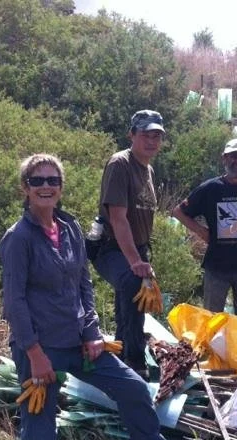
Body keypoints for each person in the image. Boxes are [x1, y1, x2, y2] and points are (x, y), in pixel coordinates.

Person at [0, 153, 201, 440]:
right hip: (41, 350)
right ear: (25, 188)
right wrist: (33, 352)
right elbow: (14, 302)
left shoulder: (71, 228)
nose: (46, 187)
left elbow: (83, 285)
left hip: (81, 342)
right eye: (37, 181)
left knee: (133, 387)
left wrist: (92, 331)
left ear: (60, 187)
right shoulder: (18, 240)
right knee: (40, 427)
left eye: (52, 180)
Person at [91, 110, 166, 380]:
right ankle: (134, 363)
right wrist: (136, 261)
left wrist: (141, 256)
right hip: (112, 247)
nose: (152, 141)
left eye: (157, 135)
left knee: (132, 300)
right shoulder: (120, 164)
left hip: (137, 248)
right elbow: (118, 218)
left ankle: (121, 353)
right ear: (132, 135)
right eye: (146, 134)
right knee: (133, 284)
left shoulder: (148, 169)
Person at [172, 138, 237, 321]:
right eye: (234, 156)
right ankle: (211, 351)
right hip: (216, 267)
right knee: (212, 322)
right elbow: (178, 212)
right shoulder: (210, 188)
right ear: (224, 158)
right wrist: (201, 231)